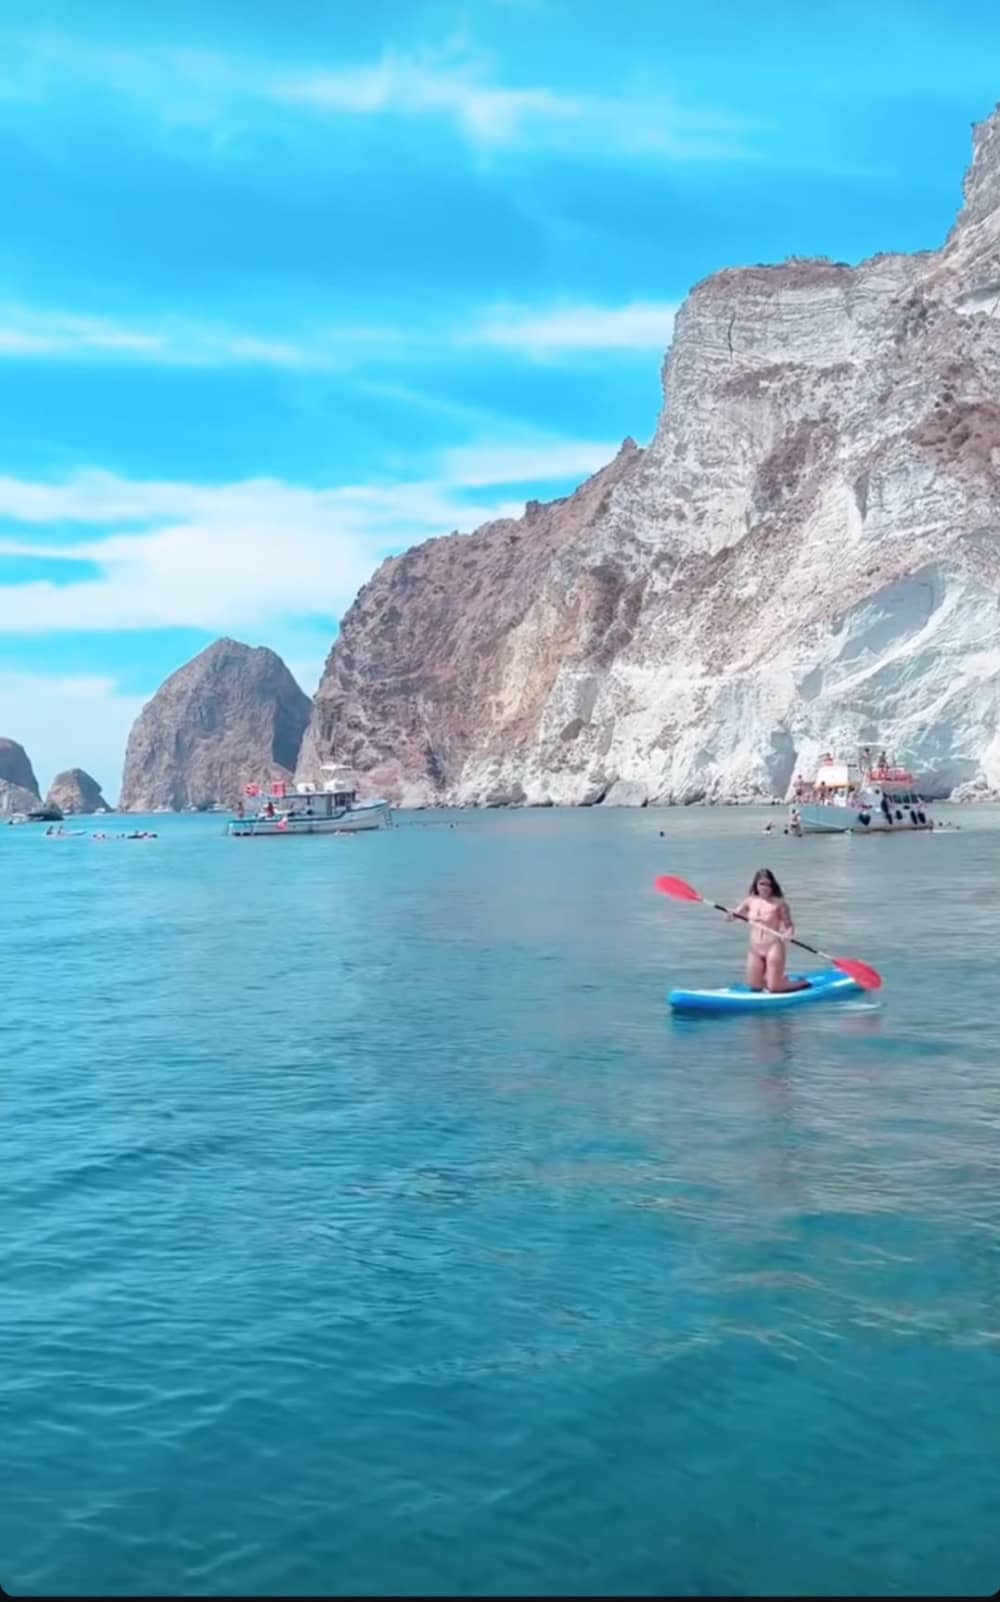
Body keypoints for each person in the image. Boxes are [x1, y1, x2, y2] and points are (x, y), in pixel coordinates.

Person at [727, 869, 810, 993]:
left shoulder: (779, 903)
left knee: (774, 988)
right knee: (755, 986)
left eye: (768, 885)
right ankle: (775, 978)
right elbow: (732, 917)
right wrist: (730, 915)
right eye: (762, 884)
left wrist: (788, 934)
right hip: (755, 948)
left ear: (772, 886)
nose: (765, 888)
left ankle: (803, 983)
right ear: (756, 884)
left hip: (773, 947)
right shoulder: (749, 901)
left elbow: (789, 926)